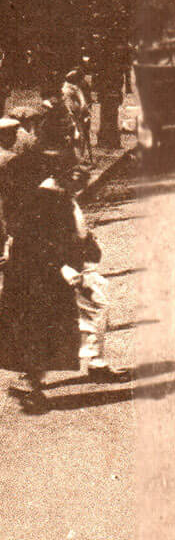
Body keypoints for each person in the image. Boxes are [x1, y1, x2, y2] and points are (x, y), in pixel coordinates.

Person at [0, 158, 89, 413]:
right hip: (40, 277)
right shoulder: (50, 200)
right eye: (78, 184)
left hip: (34, 275)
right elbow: (40, 241)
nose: (79, 190)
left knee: (35, 329)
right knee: (41, 328)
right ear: (67, 179)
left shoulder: (47, 197)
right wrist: (62, 266)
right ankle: (33, 387)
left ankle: (32, 382)